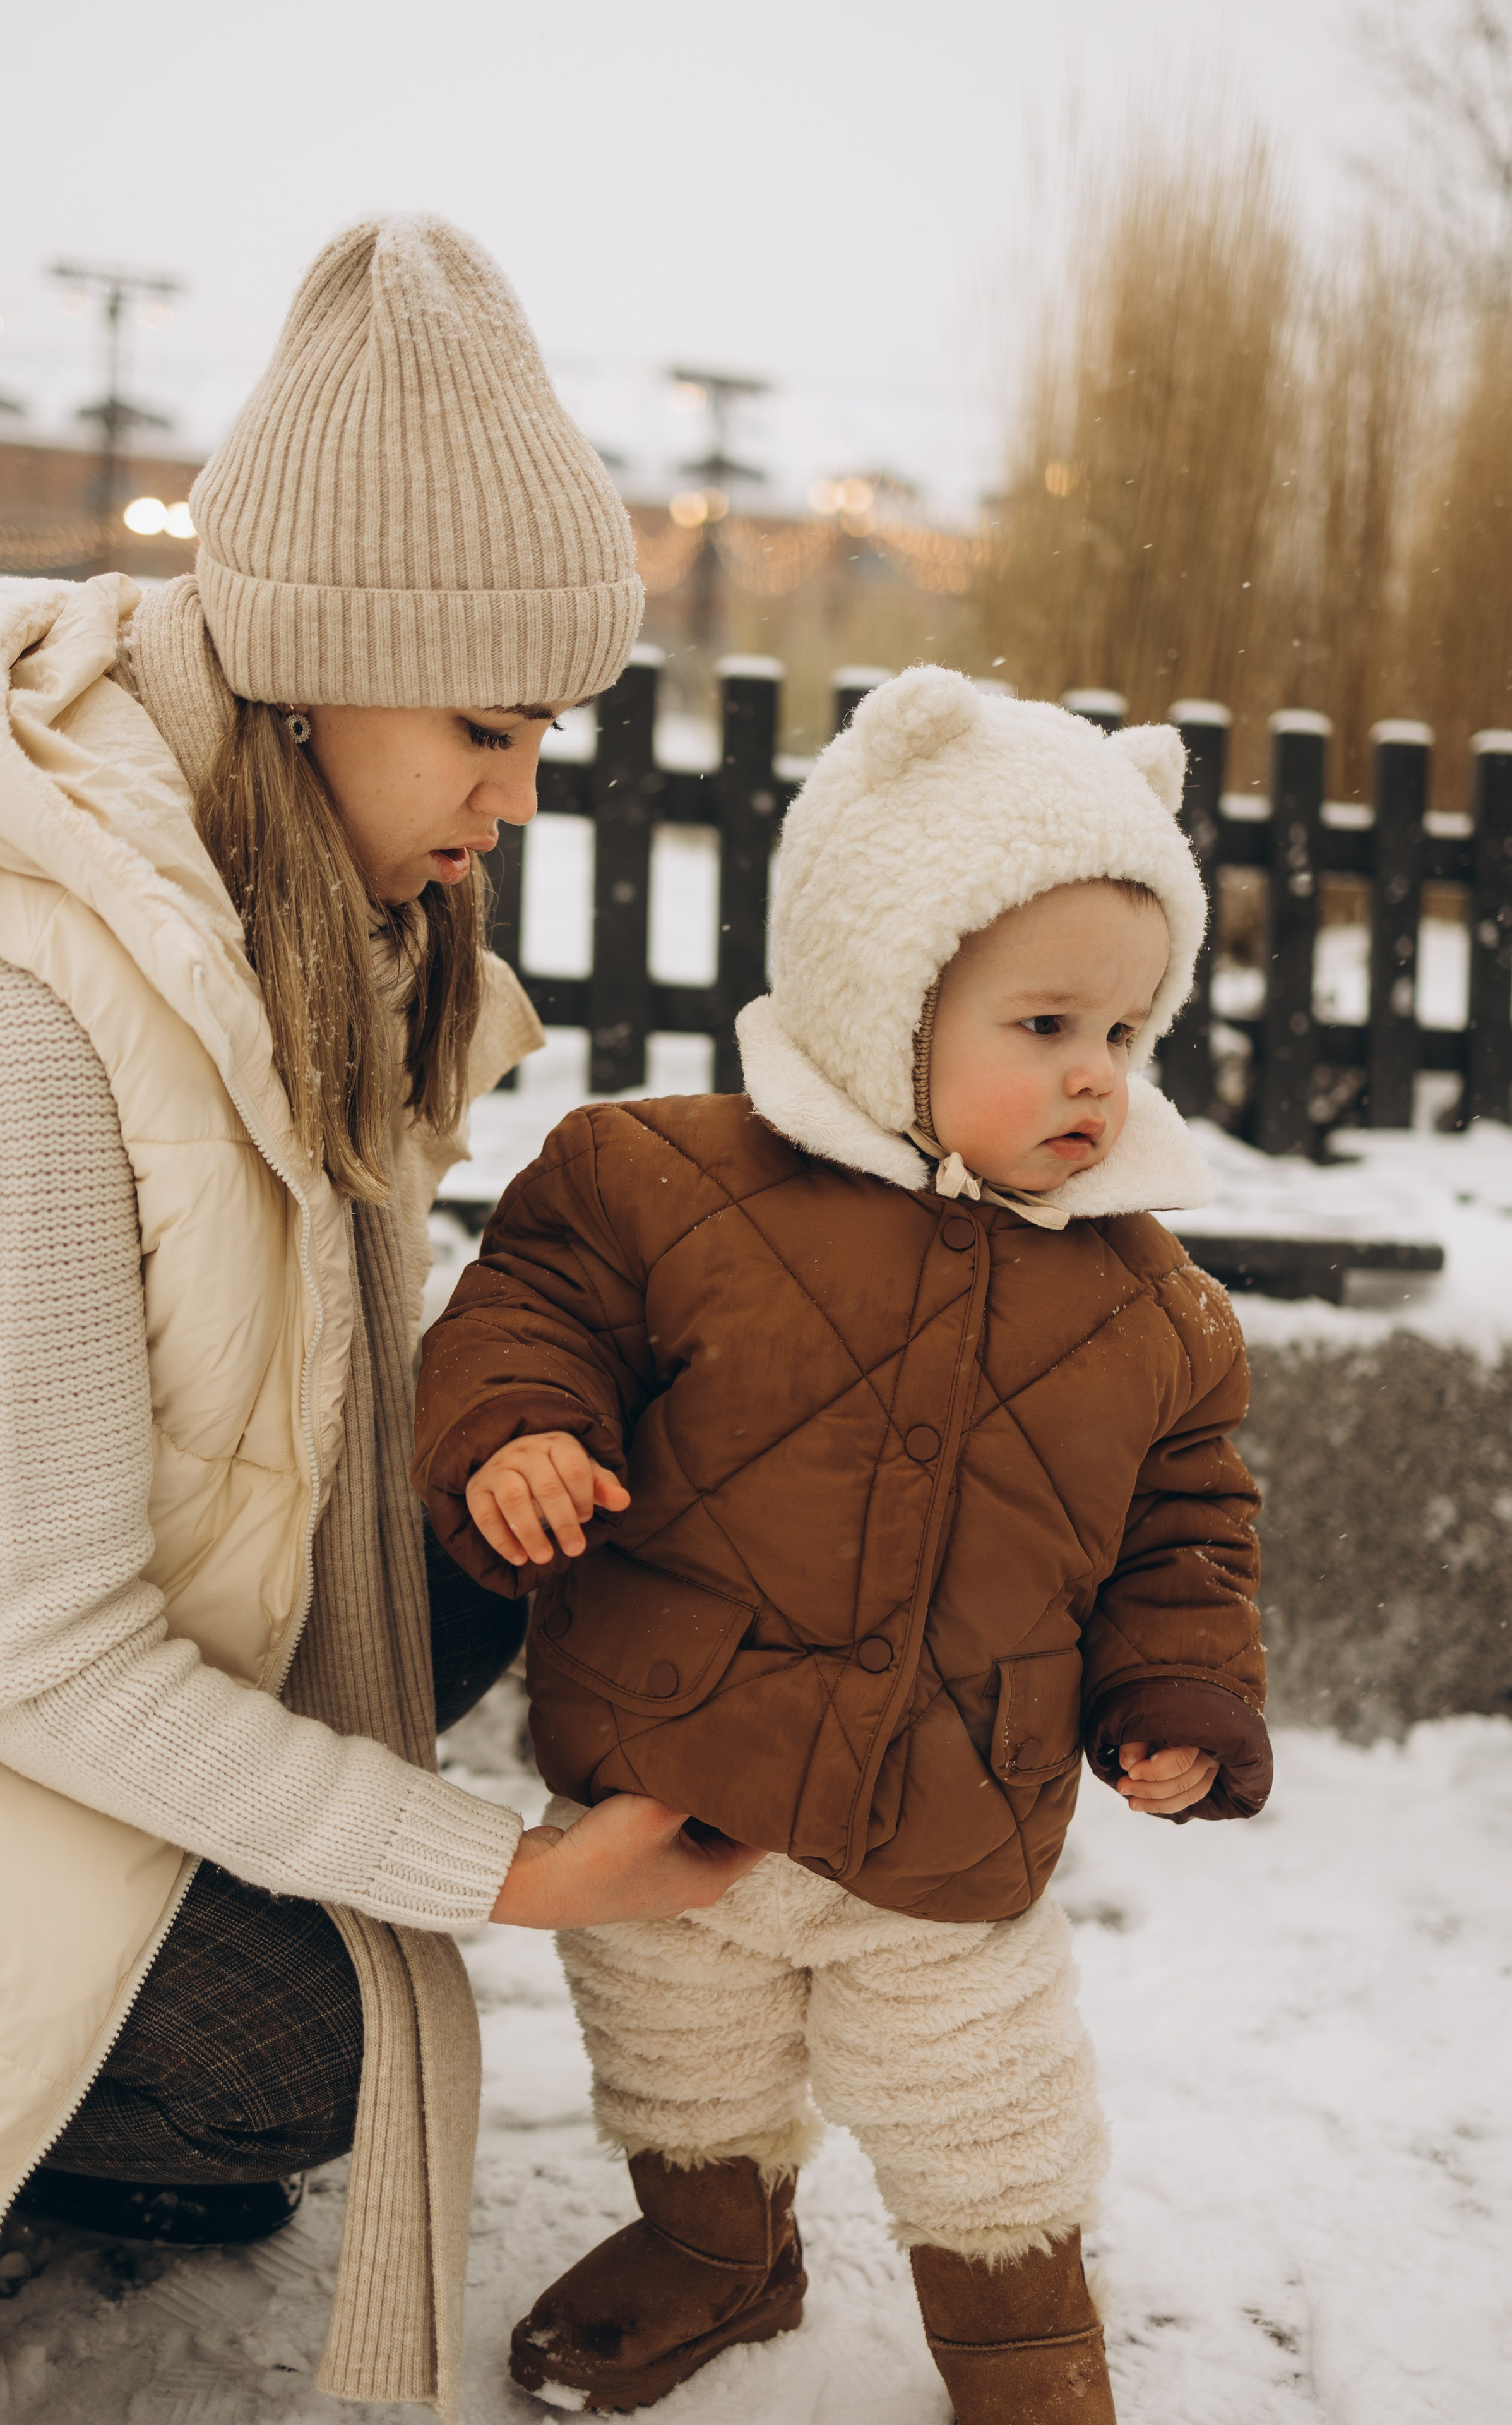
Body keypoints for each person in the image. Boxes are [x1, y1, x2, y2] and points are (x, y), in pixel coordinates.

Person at [0, 215, 760, 2419]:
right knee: (300, 2053)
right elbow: (45, 1653)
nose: (519, 796)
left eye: (545, 731)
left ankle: (139, 2055)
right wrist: (512, 1874)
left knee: (570, 1480)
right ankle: (61, 2111)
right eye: (485, 728)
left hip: (82, 1641)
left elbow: (305, 1409)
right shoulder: (15, 1011)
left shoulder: (302, 927)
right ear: (306, 670)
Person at [415, 666, 1275, 2423]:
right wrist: (519, 1438)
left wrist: (1178, 1688)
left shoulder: (1155, 1310)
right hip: (674, 1771)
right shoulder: (652, 1184)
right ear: (887, 990)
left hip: (953, 1804)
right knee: (677, 2048)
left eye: (1125, 1036)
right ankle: (717, 2246)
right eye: (1043, 1028)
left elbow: (1186, 1526)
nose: (1095, 1080)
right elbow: (526, 1320)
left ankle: (1024, 2343)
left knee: (984, 2102)